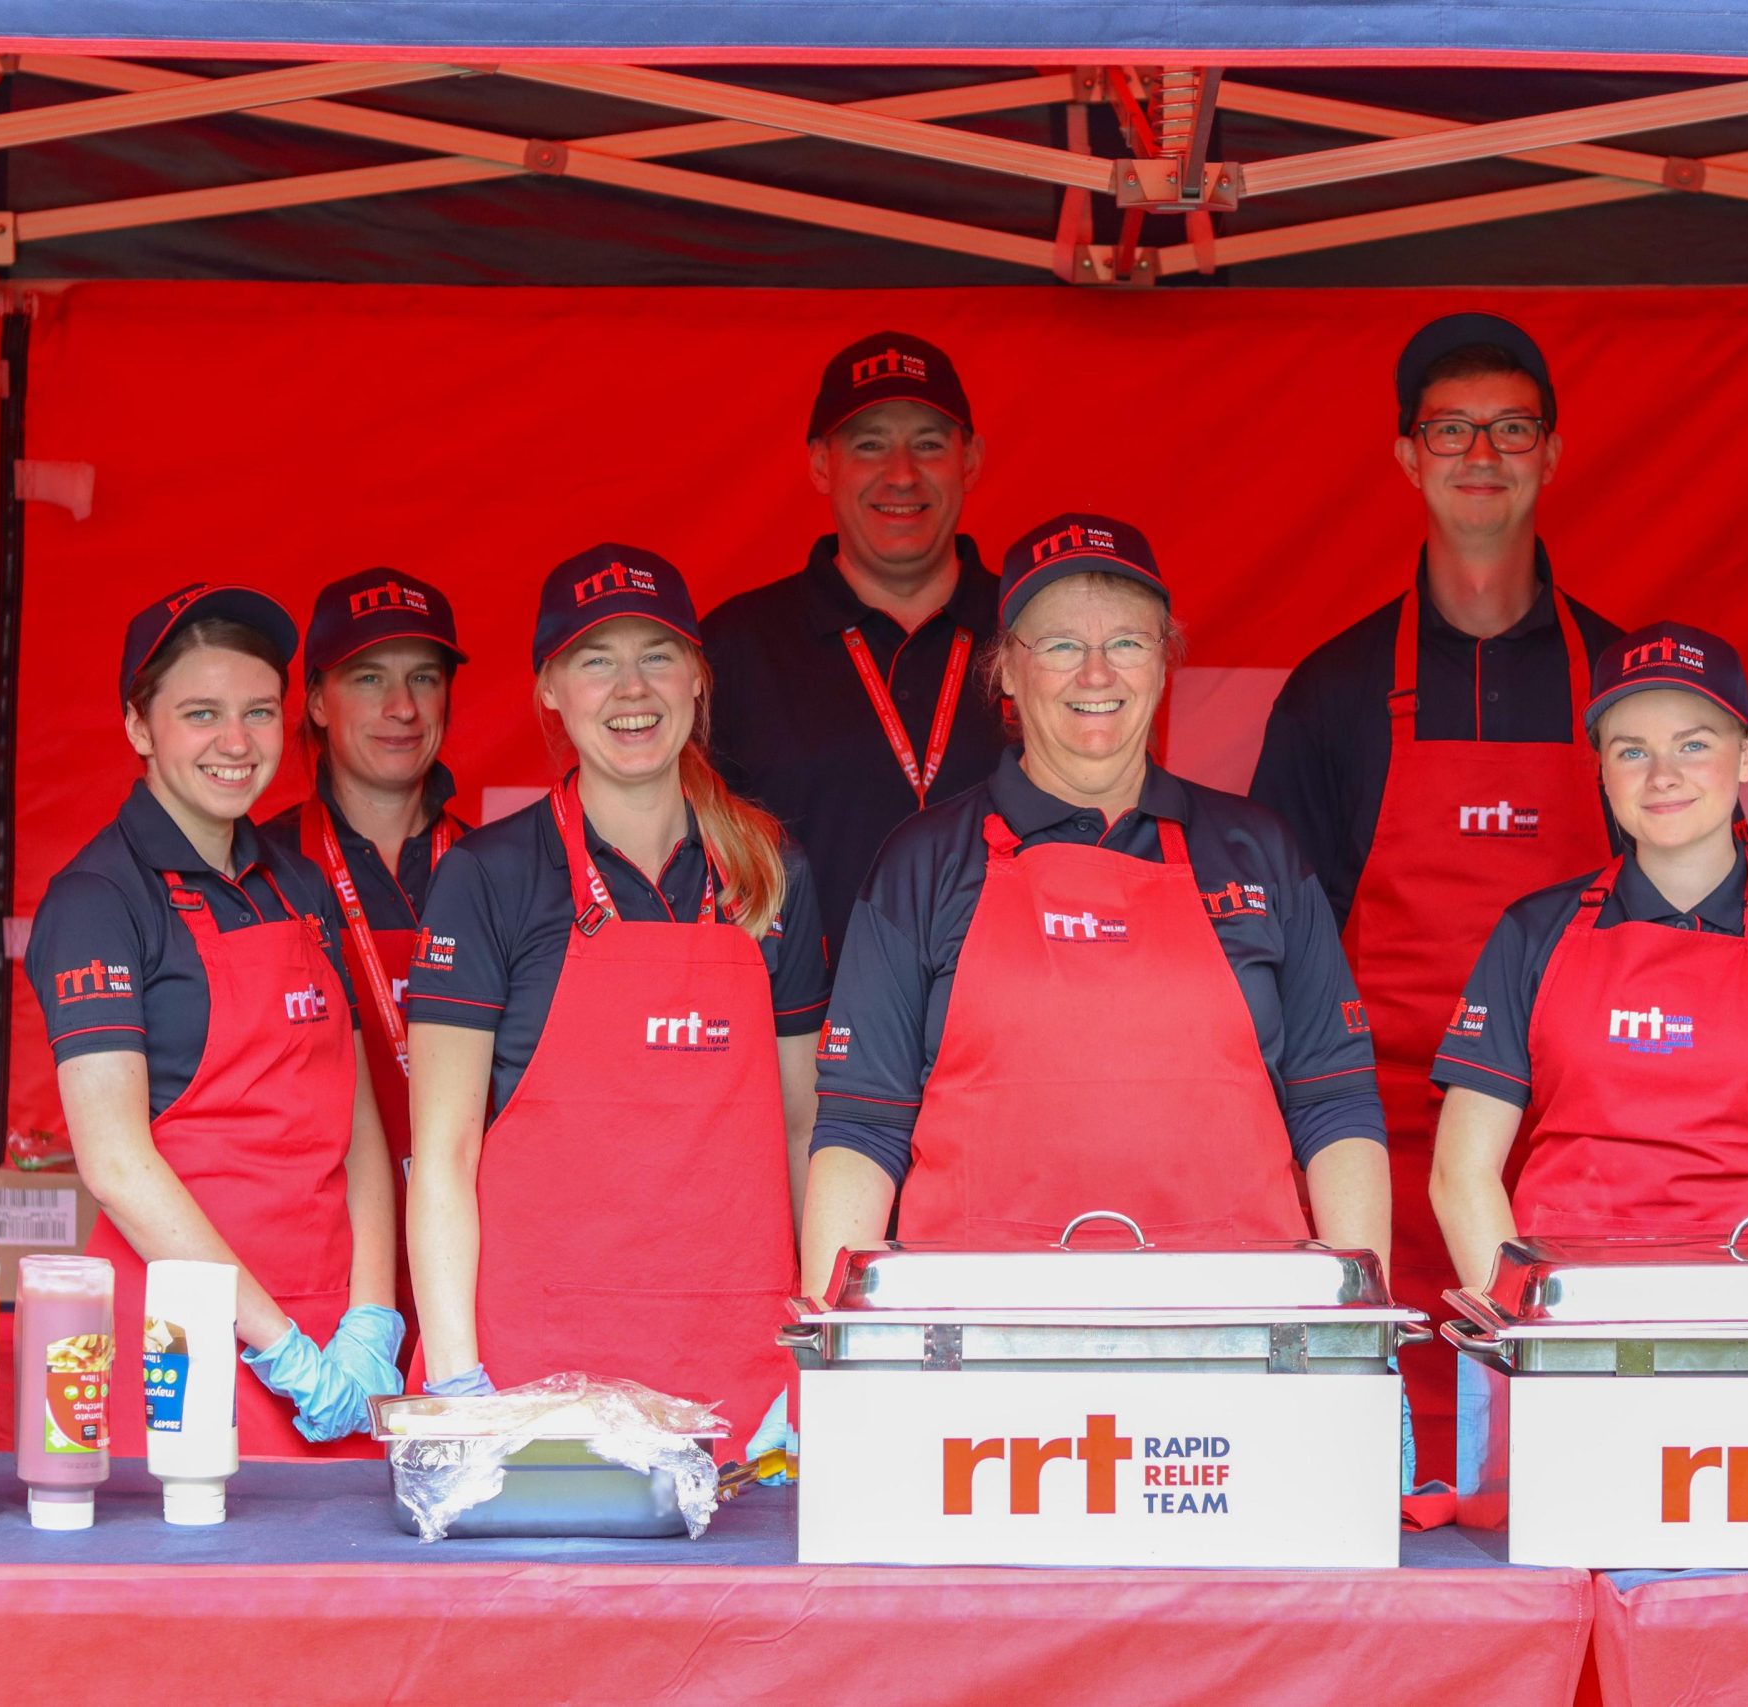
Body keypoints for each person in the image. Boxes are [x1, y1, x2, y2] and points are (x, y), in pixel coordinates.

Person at [806, 512, 1392, 1285]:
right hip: (978, 1326)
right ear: (1006, 670)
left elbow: (1336, 1106)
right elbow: (861, 1128)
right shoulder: (921, 864)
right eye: (1059, 645)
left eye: (1126, 642)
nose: (1096, 674)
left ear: (1164, 661)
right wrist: (832, 1335)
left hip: (1235, 1325)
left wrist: (1361, 1321)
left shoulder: (1260, 853)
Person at [1248, 312, 1622, 1481]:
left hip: (1579, 1155)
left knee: (1578, 1467)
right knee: (1387, 1474)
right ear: (1407, 456)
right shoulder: (1335, 690)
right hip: (1380, 1154)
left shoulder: (1622, 687)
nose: (1481, 454)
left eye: (1511, 428)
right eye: (1452, 429)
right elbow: (1273, 949)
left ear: (1551, 452)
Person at [404, 545, 829, 1439]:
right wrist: (457, 1382)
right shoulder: (488, 875)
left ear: (698, 678)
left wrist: (821, 1353)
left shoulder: (771, 867)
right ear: (550, 689)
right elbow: (443, 1152)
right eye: (596, 660)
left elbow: (805, 1129)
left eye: (657, 656)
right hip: (533, 1375)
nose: (632, 689)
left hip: (737, 1371)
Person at [28, 584, 401, 1456]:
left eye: (259, 712)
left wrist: (372, 1315)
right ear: (139, 726)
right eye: (202, 713)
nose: (237, 742)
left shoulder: (298, 884)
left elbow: (358, 1127)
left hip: (334, 1354)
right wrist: (279, 1347)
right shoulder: (98, 901)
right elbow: (116, 1164)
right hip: (184, 1345)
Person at [1429, 622, 1748, 1286]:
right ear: (1602, 772)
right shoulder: (1531, 932)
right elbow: (1461, 1172)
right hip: (1564, 1320)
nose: (1663, 776)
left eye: (1693, 744)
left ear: (1746, 758)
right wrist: (1527, 1320)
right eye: (1632, 751)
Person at [703, 331, 1003, 970]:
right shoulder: (734, 644)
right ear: (821, 465)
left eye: (928, 444)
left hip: (1010, 1022)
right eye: (870, 445)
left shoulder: (1038, 634)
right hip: (801, 1025)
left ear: (971, 460)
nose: (902, 473)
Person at [259, 568, 470, 1341]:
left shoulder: (503, 873)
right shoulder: (262, 873)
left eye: (424, 677)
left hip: (475, 1257)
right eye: (370, 677)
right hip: (318, 1265)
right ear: (317, 700)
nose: (402, 707)